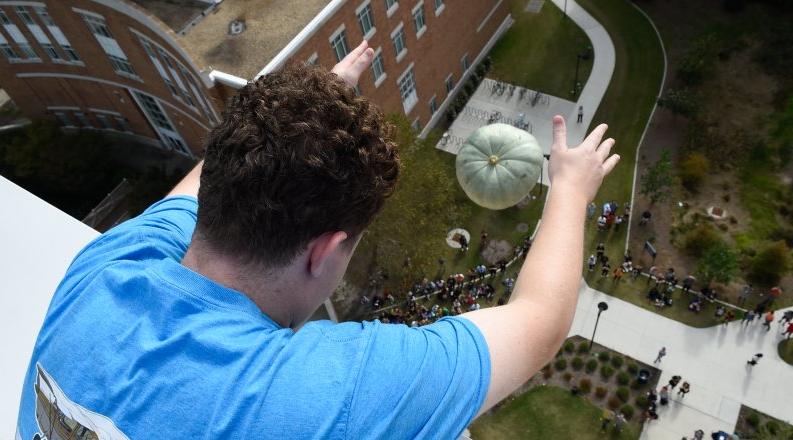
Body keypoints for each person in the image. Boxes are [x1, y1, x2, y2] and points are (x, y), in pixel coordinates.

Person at [15, 44, 622, 439]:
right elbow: (540, 322)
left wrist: (301, 112)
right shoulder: (319, 396)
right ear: (325, 250)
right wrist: (570, 190)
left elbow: (202, 181)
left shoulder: (107, 264)